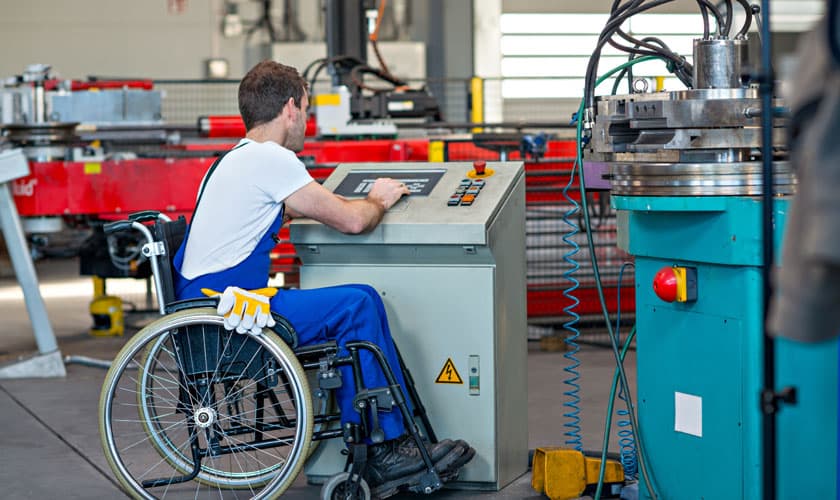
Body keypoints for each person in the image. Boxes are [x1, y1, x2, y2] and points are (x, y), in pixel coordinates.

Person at [171, 60, 474, 490]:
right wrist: (378, 199)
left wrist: (300, 206)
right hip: (229, 314)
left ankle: (391, 437)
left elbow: (271, 209)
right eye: (307, 112)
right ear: (291, 107)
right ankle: (383, 446)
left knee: (356, 299)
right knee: (358, 303)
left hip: (208, 306)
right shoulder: (272, 158)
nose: (307, 123)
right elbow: (353, 222)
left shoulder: (230, 161)